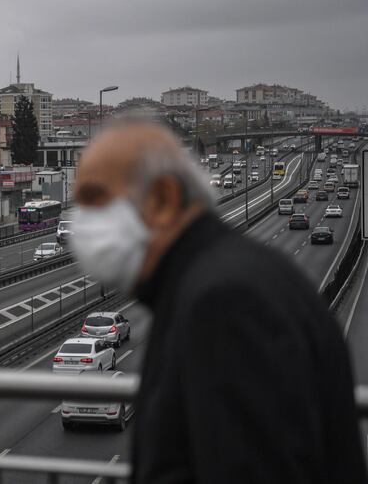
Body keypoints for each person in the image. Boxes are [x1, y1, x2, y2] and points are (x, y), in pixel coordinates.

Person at [72, 120, 366, 483]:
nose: (80, 222)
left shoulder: (225, 306)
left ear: (163, 198)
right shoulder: (214, 281)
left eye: (94, 199)